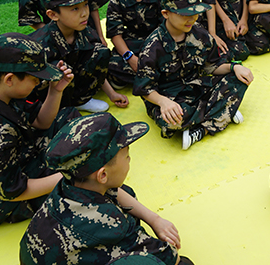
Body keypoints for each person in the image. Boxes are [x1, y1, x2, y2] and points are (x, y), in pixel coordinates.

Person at [19, 112, 194, 265]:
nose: (129, 160)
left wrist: (154, 219)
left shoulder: (65, 188)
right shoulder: (110, 225)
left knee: (126, 193)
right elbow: (170, 257)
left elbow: (115, 191)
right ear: (102, 175)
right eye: (127, 155)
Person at [133, 0, 254, 150]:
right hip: (172, 99)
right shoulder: (153, 47)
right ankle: (224, 111)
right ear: (166, 13)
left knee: (240, 79)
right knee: (171, 121)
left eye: (195, 13)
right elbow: (144, 89)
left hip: (199, 88)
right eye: (184, 14)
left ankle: (203, 127)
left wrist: (234, 67)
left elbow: (212, 67)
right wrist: (164, 103)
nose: (192, 19)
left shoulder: (199, 33)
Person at [0, 32, 81, 226]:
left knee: (68, 117)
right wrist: (69, 176)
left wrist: (55, 91)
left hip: (18, 154)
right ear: (9, 79)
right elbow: (13, 191)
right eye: (35, 78)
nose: (39, 82)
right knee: (80, 191)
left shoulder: (0, 93)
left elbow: (41, 123)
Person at [29, 0, 129, 113]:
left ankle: (80, 100)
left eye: (86, 4)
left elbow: (95, 64)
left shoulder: (86, 31)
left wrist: (112, 94)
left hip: (70, 85)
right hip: (42, 98)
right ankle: (58, 108)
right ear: (53, 15)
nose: (84, 13)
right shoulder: (39, 45)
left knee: (100, 52)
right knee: (60, 69)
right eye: (75, 8)